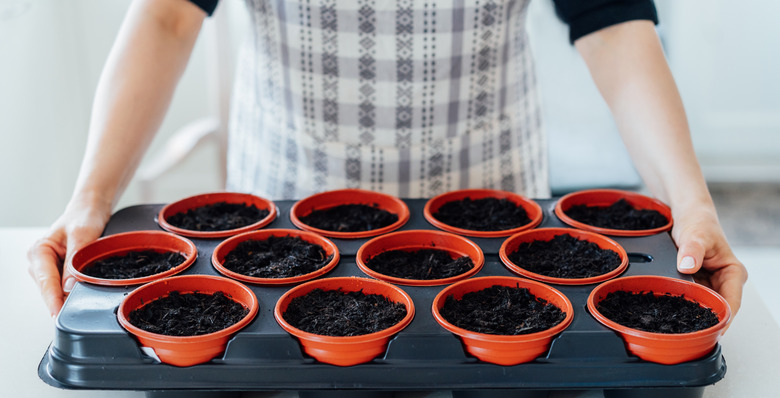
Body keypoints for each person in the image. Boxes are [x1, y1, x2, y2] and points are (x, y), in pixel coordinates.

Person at [27, 0, 746, 320]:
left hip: (490, 219)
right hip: (286, 210)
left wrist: (692, 203)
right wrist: (91, 199)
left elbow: (613, 23)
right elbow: (165, 13)